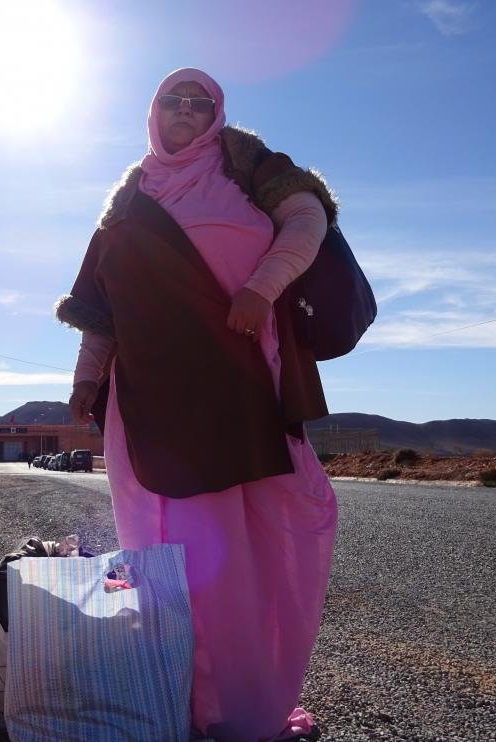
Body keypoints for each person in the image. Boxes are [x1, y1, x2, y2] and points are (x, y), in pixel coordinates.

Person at [56, 68, 338, 742]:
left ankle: (248, 705)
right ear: (151, 111)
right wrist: (85, 381)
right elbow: (105, 310)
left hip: (243, 385)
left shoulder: (246, 164)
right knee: (169, 548)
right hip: (152, 398)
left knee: (276, 533)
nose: (185, 112)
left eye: (199, 103)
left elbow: (309, 218)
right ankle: (182, 700)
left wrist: (263, 286)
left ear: (216, 113)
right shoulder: (130, 195)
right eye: (171, 101)